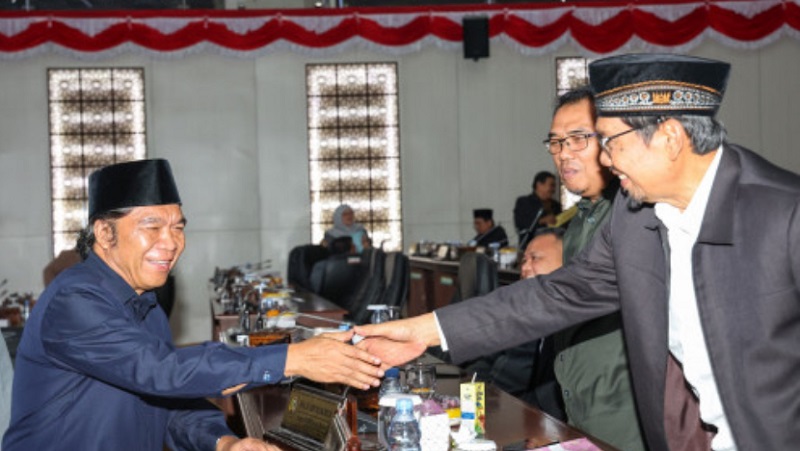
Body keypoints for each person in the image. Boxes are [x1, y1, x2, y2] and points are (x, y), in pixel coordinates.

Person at [355, 54, 800, 451]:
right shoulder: (634, 217)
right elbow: (556, 296)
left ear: (669, 137)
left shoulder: (785, 216)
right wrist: (420, 331)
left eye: (611, 142)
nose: (605, 160)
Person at [4, 159, 386, 451]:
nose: (171, 243)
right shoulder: (75, 299)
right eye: (152, 227)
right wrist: (293, 358)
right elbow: (161, 372)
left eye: (178, 228)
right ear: (105, 233)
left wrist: (224, 442)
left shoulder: (145, 304)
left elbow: (166, 401)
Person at [542, 87, 644, 450]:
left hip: (627, 420)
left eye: (578, 139)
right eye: (555, 142)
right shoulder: (579, 221)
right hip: (579, 412)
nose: (563, 153)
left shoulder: (636, 216)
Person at [462, 228, 564, 400]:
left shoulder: (570, 320)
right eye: (523, 260)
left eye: (535, 258)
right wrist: (465, 391)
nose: (524, 267)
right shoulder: (522, 307)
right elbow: (488, 359)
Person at [513, 171, 562, 248]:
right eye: (551, 185)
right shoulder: (524, 202)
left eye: (554, 186)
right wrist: (542, 220)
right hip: (531, 246)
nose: (554, 189)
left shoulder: (556, 205)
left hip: (552, 247)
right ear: (539, 185)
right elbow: (521, 224)